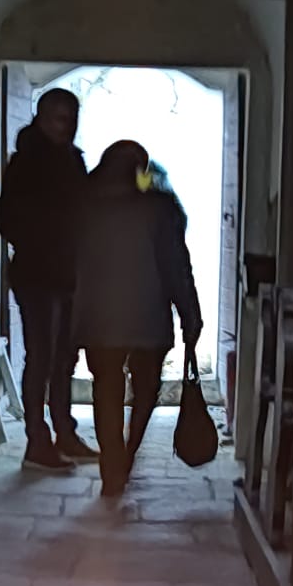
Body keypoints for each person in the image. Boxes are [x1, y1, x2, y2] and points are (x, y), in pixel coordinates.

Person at [74, 139, 202, 499]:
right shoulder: (160, 208)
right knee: (146, 389)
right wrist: (190, 313)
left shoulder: (85, 206)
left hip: (101, 318)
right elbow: (177, 266)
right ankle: (127, 454)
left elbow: (72, 267)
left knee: (106, 390)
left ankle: (111, 462)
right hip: (149, 315)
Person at [0, 88, 97, 471]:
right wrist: (44, 238)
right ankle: (37, 441)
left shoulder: (72, 159)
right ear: (40, 118)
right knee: (41, 356)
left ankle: (64, 434)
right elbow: (6, 219)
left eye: (69, 118)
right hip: (37, 273)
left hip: (69, 272)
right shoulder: (26, 163)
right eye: (58, 118)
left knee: (64, 357)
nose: (64, 126)